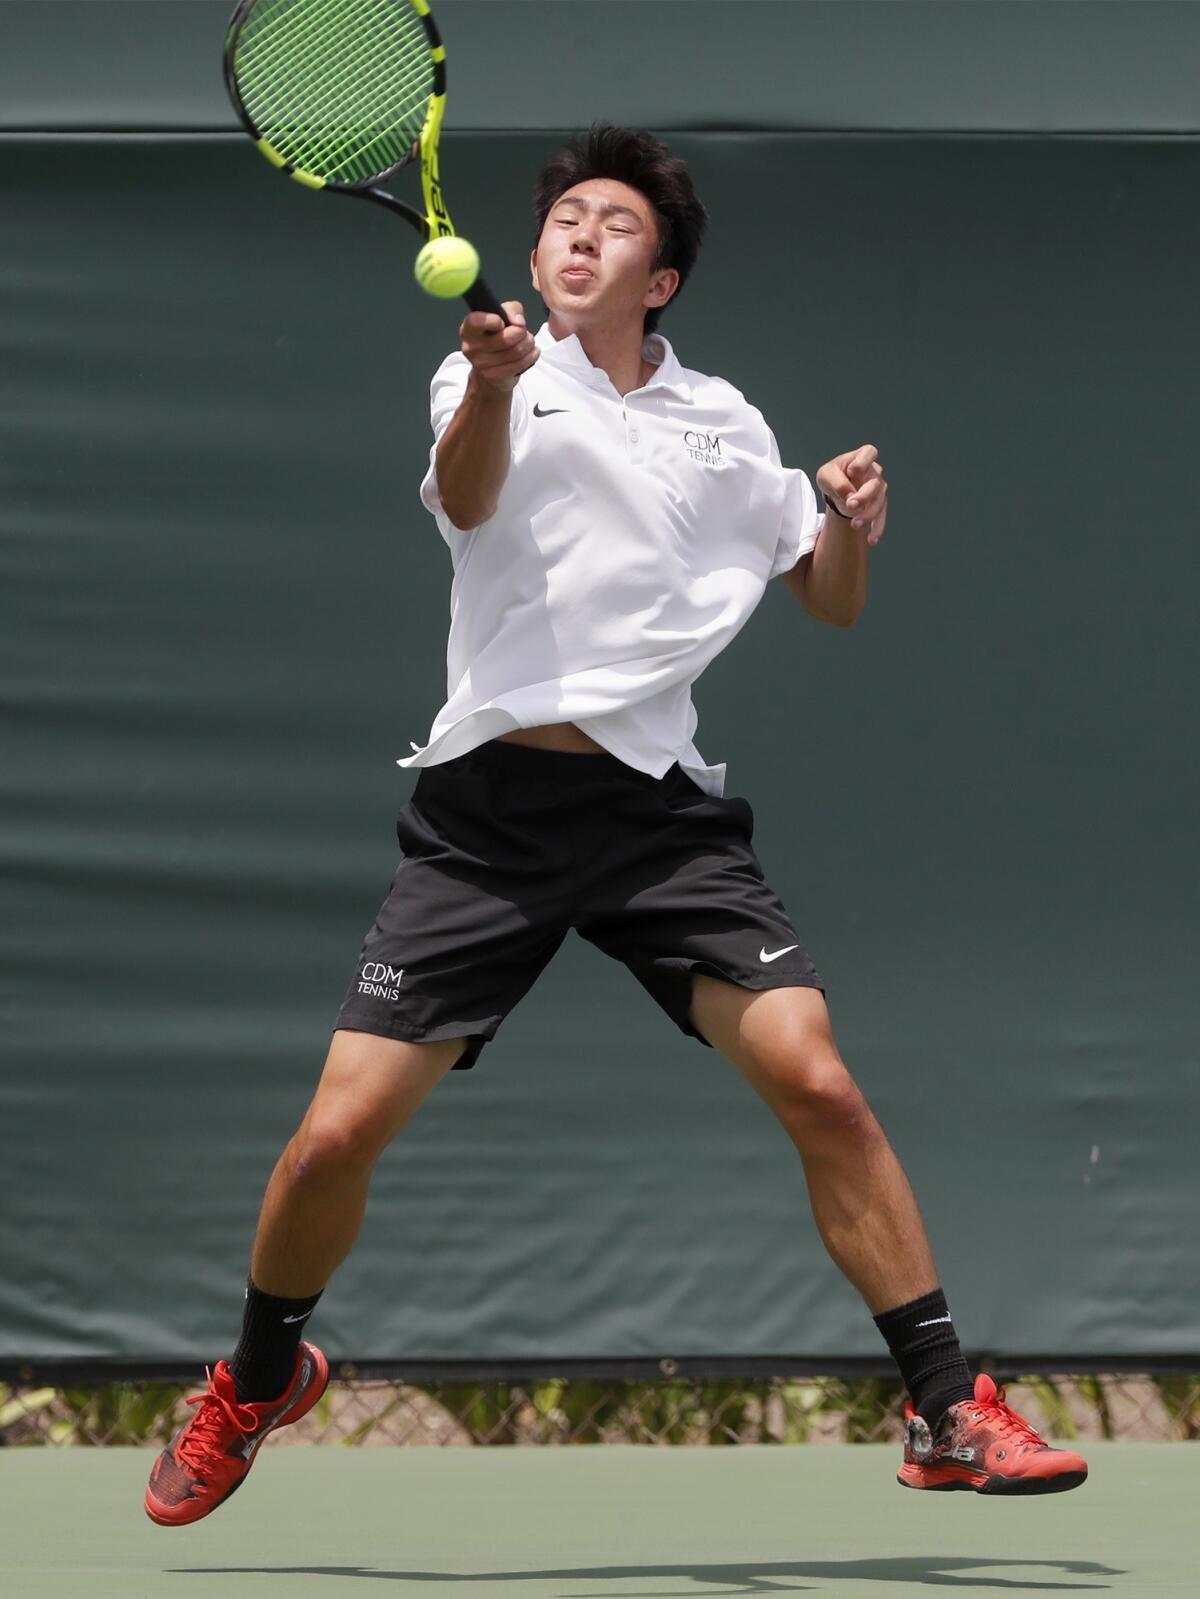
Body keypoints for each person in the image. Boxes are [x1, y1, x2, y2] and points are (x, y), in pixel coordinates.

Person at [145, 124, 1087, 1526]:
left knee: (822, 1085)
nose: (582, 235)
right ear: (533, 256)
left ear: (663, 279)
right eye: (566, 219)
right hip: (490, 820)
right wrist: (495, 388)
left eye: (617, 225)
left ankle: (949, 1406)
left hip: (659, 820)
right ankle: (261, 1376)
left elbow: (824, 599)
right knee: (335, 1138)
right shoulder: (487, 373)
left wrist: (842, 524)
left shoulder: (727, 422)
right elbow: (466, 501)